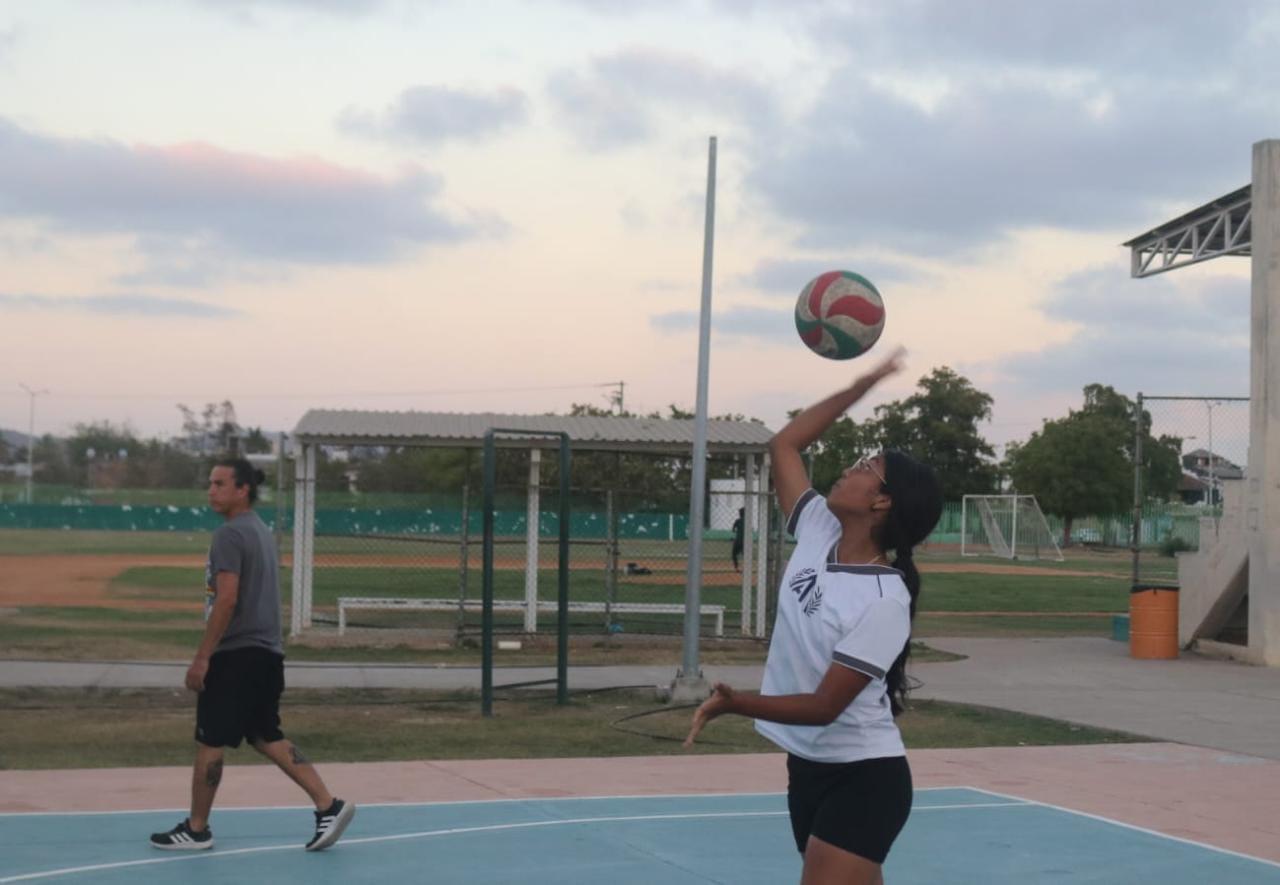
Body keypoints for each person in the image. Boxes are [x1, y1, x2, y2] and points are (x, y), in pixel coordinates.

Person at [685, 347, 942, 885]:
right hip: (806, 770)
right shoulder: (819, 529)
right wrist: (862, 385)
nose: (849, 469)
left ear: (881, 504)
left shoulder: (884, 599)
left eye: (865, 468)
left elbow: (826, 706)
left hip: (865, 777)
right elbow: (785, 442)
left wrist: (736, 704)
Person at [150, 457, 356, 852]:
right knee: (266, 735)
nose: (211, 490)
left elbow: (226, 600)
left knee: (211, 740)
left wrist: (203, 657)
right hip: (266, 654)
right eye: (210, 483)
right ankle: (329, 805)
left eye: (220, 484)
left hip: (236, 655)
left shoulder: (229, 535)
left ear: (242, 489)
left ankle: (196, 828)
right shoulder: (260, 531)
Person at [731, 507, 745, 572]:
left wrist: (737, 531)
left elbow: (733, 530)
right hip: (745, 541)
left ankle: (736, 567)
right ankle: (745, 568)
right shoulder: (747, 521)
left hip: (738, 540)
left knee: (734, 554)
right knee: (745, 555)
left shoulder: (737, 521)